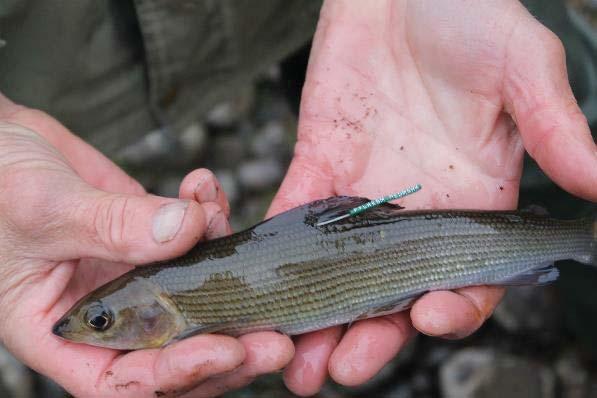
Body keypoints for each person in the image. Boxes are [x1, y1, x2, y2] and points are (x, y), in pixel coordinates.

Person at [0, 0, 595, 397]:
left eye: (102, 320)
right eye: (99, 321)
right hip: (68, 63)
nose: (85, 328)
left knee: (519, 141)